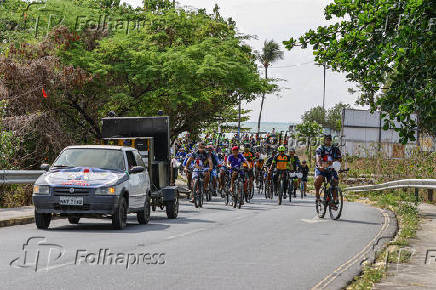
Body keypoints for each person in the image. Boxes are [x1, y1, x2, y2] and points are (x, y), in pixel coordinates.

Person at [314, 135, 342, 208]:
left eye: (329, 140)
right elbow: (318, 158)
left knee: (334, 181)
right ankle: (317, 194)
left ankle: (334, 200)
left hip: (331, 168)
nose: (328, 141)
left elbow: (339, 159)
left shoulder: (335, 149)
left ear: (331, 141)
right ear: (324, 140)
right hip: (322, 168)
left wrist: (332, 162)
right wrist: (320, 166)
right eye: (326, 139)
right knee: (319, 178)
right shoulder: (320, 148)